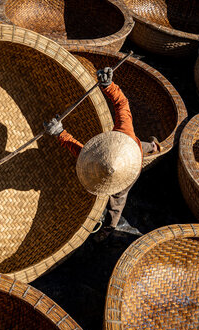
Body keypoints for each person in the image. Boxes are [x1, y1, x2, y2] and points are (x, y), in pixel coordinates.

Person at [44, 67, 161, 241]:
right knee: (140, 146)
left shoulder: (96, 162)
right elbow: (122, 103)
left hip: (130, 170)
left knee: (118, 199)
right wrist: (108, 85)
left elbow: (76, 148)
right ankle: (153, 147)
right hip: (133, 149)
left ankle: (110, 227)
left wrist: (60, 133)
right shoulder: (125, 133)